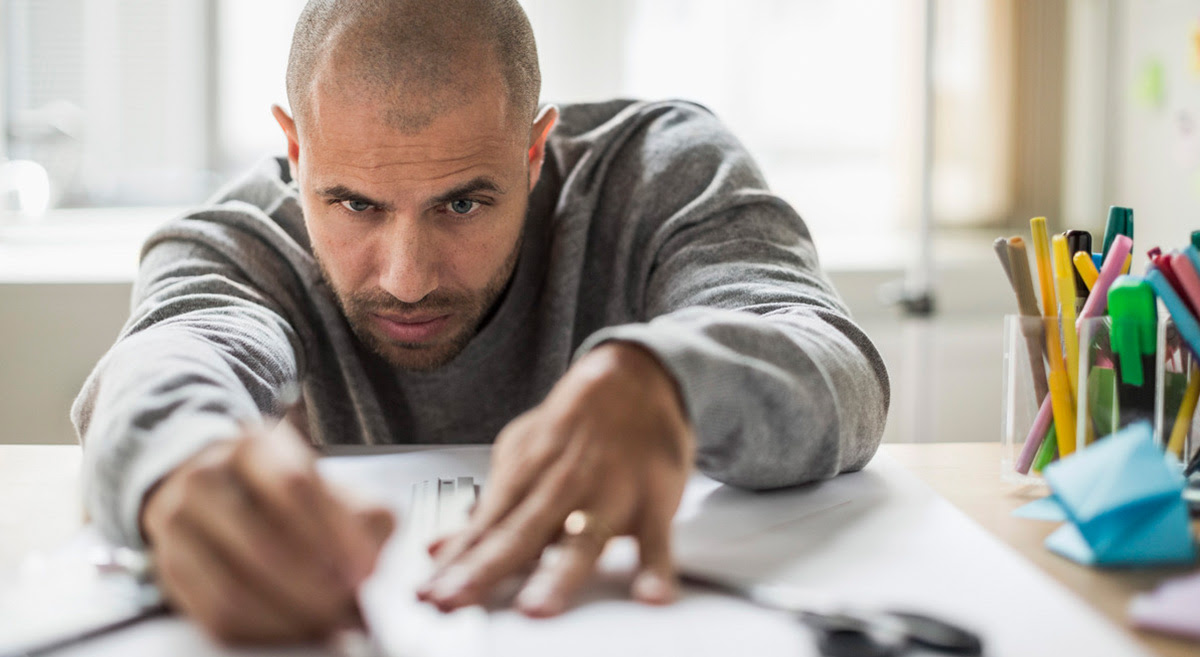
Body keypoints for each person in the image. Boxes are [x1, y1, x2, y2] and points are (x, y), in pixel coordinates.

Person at [71, 0, 890, 645]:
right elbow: (167, 359)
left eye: (463, 202)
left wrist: (668, 378)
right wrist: (179, 465)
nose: (407, 277)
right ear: (294, 150)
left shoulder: (661, 171)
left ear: (534, 151)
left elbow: (837, 362)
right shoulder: (241, 243)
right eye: (353, 203)